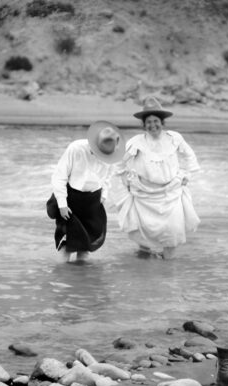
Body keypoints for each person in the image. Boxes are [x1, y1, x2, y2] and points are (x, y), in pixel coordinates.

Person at [116, 96, 200, 259]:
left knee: (172, 233)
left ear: (162, 123)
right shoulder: (136, 142)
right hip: (144, 195)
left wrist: (187, 175)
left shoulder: (174, 138)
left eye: (156, 121)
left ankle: (167, 272)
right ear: (144, 124)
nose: (152, 125)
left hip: (171, 193)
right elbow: (119, 163)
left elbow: (190, 156)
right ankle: (144, 270)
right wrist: (126, 180)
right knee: (143, 235)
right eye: (148, 122)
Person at [48, 121, 125, 263]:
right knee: (67, 245)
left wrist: (103, 196)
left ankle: (82, 280)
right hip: (71, 199)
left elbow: (107, 177)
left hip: (92, 202)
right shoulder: (76, 148)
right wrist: (62, 204)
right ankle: (61, 280)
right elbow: (59, 176)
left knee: (85, 246)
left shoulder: (111, 153)